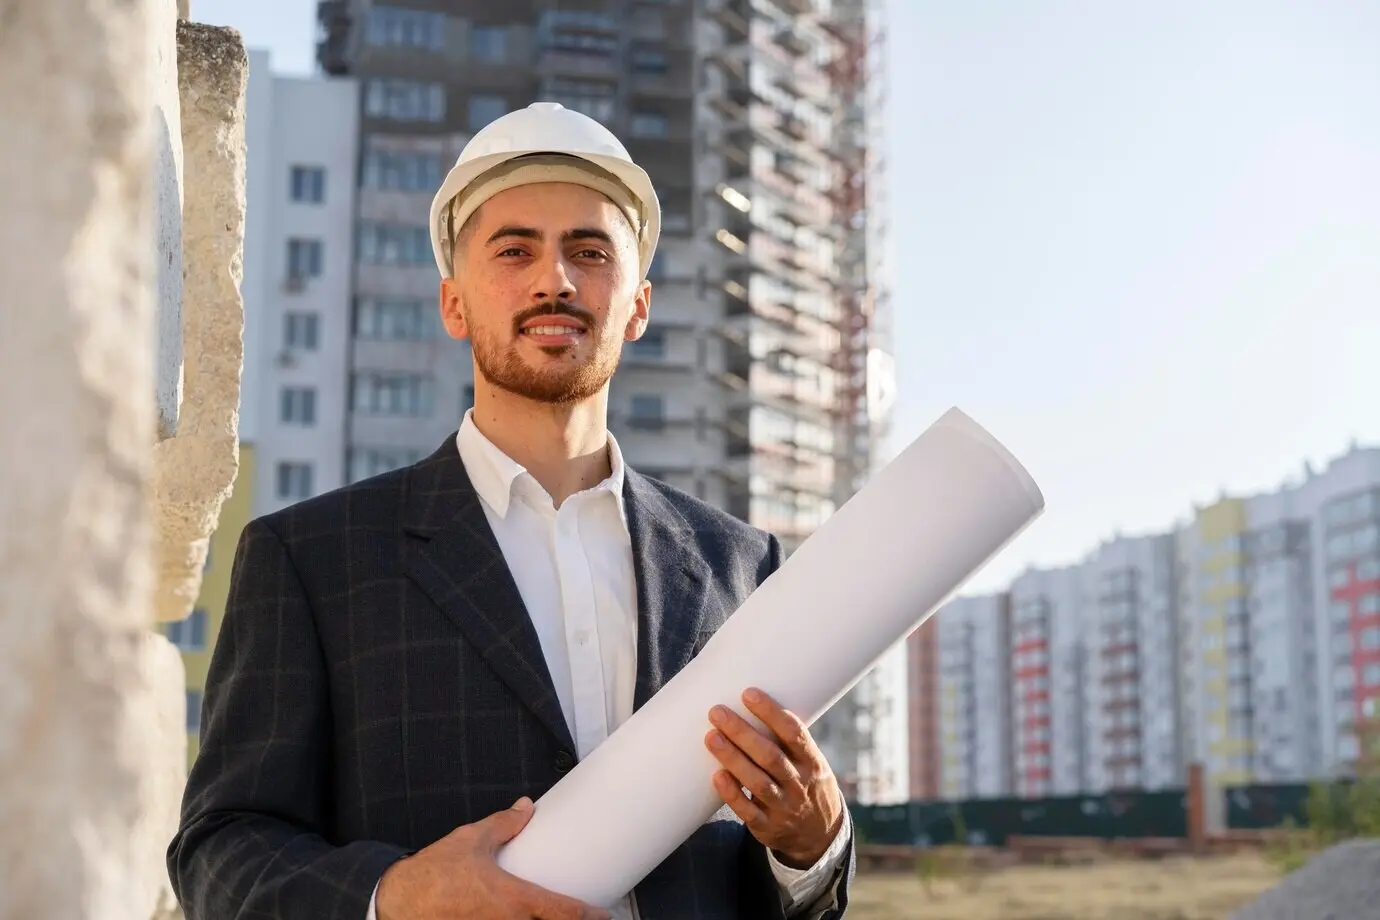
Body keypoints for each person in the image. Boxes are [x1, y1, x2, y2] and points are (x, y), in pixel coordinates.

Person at [167, 102, 855, 920]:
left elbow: (784, 889)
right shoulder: (312, 560)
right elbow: (221, 852)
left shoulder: (744, 568)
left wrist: (813, 850)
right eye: (514, 249)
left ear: (637, 308)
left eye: (589, 251)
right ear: (454, 303)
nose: (554, 279)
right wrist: (394, 896)